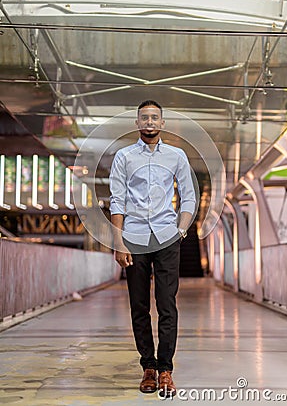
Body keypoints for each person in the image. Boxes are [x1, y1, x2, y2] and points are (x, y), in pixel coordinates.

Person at [109, 100, 196, 398]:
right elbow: (117, 201)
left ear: (162, 123)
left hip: (166, 237)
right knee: (139, 306)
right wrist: (118, 242)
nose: (149, 122)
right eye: (144, 118)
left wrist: (181, 230)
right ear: (137, 123)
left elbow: (189, 196)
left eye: (154, 118)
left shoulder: (176, 156)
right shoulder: (123, 156)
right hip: (133, 238)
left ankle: (166, 370)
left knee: (167, 305)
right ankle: (148, 366)